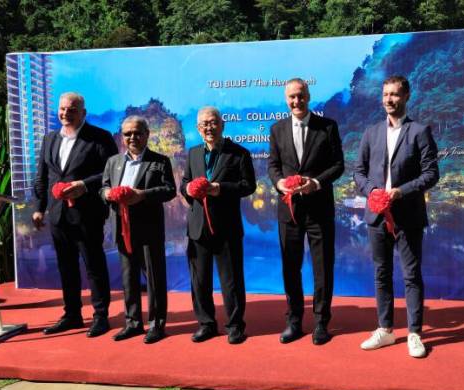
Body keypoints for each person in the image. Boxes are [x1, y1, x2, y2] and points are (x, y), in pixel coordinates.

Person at [353, 75, 440, 358]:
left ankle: (415, 332)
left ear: (406, 97)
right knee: (382, 274)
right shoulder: (371, 132)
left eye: (395, 94)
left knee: (412, 275)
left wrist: (401, 192)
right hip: (376, 216)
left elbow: (431, 174)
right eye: (385, 94)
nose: (389, 100)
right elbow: (358, 172)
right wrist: (373, 192)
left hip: (408, 215)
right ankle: (386, 329)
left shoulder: (420, 131)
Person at [33, 92, 118, 338]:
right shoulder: (50, 138)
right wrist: (39, 208)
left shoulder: (99, 138)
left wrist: (85, 185)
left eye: (71, 110)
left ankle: (101, 316)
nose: (65, 114)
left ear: (83, 112)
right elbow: (43, 177)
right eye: (62, 109)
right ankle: (72, 314)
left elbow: (111, 172)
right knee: (66, 267)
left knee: (94, 266)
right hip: (58, 214)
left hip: (88, 213)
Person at [268, 78, 345, 345]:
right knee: (291, 268)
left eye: (300, 95)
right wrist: (278, 182)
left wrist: (316, 183)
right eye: (291, 97)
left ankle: (322, 322)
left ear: (309, 95)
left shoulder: (327, 127)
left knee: (322, 268)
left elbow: (338, 165)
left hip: (319, 209)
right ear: (286, 99)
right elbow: (273, 166)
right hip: (288, 212)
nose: (296, 101)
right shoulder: (277, 129)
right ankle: (294, 321)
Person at [180, 106, 256, 344]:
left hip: (227, 227)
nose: (209, 128)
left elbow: (248, 186)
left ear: (222, 125)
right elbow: (183, 183)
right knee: (199, 281)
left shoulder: (239, 153)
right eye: (204, 124)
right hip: (197, 227)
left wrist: (219, 189)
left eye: (213, 123)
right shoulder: (192, 154)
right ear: (198, 128)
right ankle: (206, 324)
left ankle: (234, 326)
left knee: (231, 280)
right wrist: (188, 189)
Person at [100, 116, 176, 344]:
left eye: (137, 133)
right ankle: (132, 323)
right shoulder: (113, 161)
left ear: (146, 134)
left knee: (154, 278)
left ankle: (156, 324)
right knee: (128, 279)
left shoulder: (160, 161)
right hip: (122, 230)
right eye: (127, 134)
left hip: (149, 229)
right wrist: (106, 194)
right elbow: (103, 186)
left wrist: (142, 195)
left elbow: (169, 190)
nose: (132, 138)